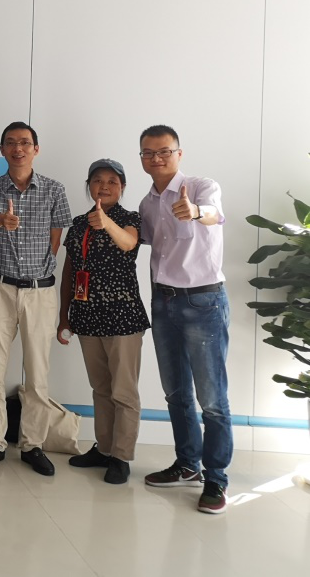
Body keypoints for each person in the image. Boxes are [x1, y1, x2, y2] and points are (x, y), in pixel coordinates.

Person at [137, 125, 231, 515]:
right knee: (176, 393)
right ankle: (187, 464)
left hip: (203, 301)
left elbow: (214, 215)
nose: (156, 158)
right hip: (163, 302)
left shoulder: (202, 187)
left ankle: (216, 478)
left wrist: (194, 212)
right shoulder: (147, 203)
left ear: (179, 153)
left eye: (164, 151)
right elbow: (139, 240)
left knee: (212, 400)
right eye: (148, 153)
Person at [0, 121, 72, 476]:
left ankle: (32, 445)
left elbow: (55, 239)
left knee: (38, 372)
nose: (18, 148)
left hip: (40, 291)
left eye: (25, 143)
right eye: (11, 143)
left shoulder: (54, 189)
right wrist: (2, 220)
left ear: (36, 149)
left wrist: (37, 272)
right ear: (2, 149)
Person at [56, 159, 148, 485]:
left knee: (124, 392)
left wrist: (106, 222)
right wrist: (64, 314)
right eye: (98, 180)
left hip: (123, 317)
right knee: (101, 389)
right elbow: (69, 271)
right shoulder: (79, 224)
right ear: (89, 185)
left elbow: (128, 243)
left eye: (112, 181)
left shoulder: (129, 218)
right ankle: (104, 448)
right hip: (87, 316)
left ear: (122, 187)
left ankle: (121, 457)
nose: (104, 186)